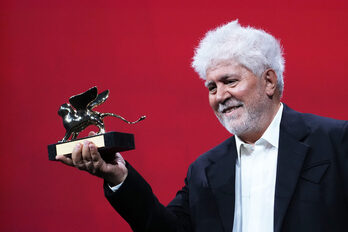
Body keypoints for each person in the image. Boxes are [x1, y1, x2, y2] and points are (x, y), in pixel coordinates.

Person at [56, 20, 348, 232]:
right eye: (211, 87)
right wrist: (119, 177)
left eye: (230, 81)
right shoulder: (204, 170)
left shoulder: (336, 142)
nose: (220, 96)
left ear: (269, 81)